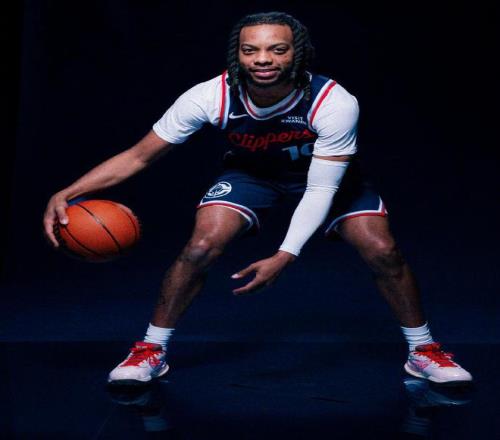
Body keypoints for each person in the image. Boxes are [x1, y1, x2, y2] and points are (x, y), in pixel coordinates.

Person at [43, 12, 472, 386]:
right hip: (252, 175)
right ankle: (150, 350)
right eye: (251, 50)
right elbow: (139, 155)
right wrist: (69, 192)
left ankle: (423, 351)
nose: (263, 59)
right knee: (200, 246)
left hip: (328, 180)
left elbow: (321, 189)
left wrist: (285, 255)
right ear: (238, 55)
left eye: (277, 49)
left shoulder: (333, 101)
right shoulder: (209, 96)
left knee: (382, 250)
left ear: (297, 54)